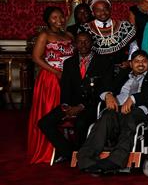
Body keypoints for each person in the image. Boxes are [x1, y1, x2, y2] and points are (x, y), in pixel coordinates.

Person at [77, 50, 148, 174]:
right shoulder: (122, 75)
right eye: (137, 61)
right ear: (130, 64)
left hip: (139, 111)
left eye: (144, 61)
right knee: (105, 118)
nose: (140, 64)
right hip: (117, 109)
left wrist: (134, 99)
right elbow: (104, 86)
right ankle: (85, 159)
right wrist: (107, 95)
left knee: (130, 119)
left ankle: (115, 160)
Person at [38, 31, 111, 163]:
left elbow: (103, 90)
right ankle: (69, 153)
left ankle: (80, 154)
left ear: (92, 43)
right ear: (75, 44)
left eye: (86, 41)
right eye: (79, 42)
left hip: (91, 105)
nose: (83, 45)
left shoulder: (103, 62)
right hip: (71, 105)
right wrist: (66, 106)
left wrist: (81, 107)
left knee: (80, 123)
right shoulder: (69, 63)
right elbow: (66, 88)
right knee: (44, 123)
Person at [28, 7, 75, 164]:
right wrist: (56, 72)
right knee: (51, 110)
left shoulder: (68, 35)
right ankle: (50, 150)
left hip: (67, 78)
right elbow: (36, 57)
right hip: (51, 78)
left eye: (61, 17)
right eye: (54, 17)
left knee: (66, 111)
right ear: (48, 20)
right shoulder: (44, 35)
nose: (59, 20)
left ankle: (66, 147)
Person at [81, 0, 136, 69]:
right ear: (93, 13)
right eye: (98, 10)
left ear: (110, 10)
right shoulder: (85, 29)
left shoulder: (124, 26)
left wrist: (130, 61)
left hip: (121, 69)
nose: (103, 12)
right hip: (96, 69)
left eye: (105, 9)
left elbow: (133, 46)